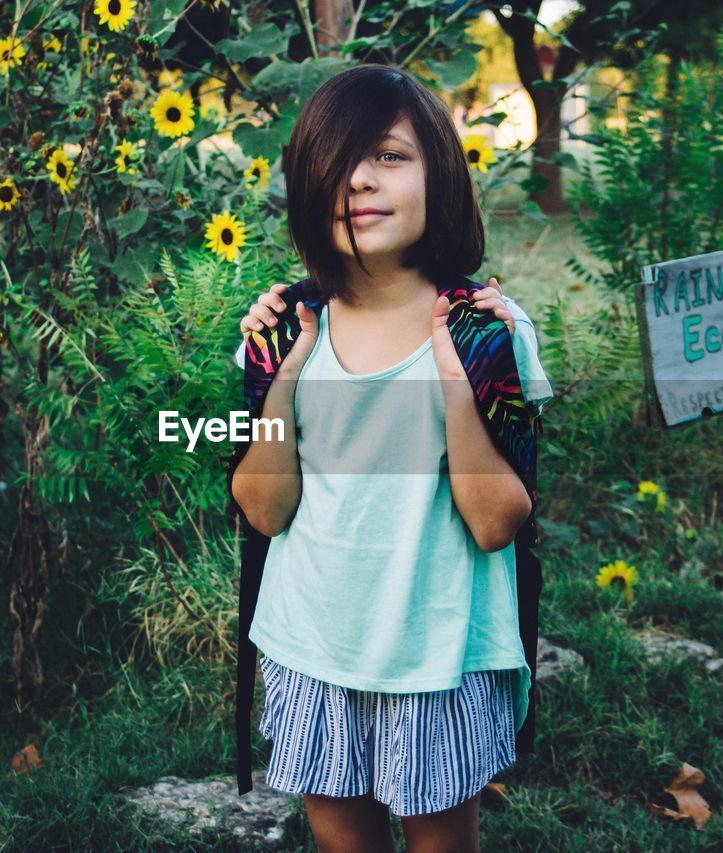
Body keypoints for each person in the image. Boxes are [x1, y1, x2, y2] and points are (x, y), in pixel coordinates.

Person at [228, 63, 553, 853]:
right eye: (337, 162)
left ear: (437, 171)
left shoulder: (486, 333)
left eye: (388, 156)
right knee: (344, 839)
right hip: (314, 645)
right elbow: (265, 509)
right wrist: (283, 378)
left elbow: (497, 522)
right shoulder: (281, 332)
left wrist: (452, 385)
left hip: (439, 653)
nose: (359, 181)